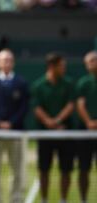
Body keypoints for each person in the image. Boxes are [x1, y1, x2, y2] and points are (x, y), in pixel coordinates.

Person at [0, 48, 28, 203]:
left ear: (13, 62)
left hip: (16, 134)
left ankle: (16, 200)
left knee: (17, 171)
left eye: (9, 59)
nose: (6, 62)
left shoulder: (21, 83)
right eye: (3, 59)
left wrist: (11, 124)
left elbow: (24, 107)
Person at [31, 52, 75, 203]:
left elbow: (71, 105)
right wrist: (49, 122)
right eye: (61, 66)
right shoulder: (38, 85)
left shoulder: (68, 84)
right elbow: (36, 108)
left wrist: (56, 121)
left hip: (65, 135)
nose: (64, 68)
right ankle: (44, 199)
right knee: (44, 170)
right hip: (45, 136)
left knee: (66, 170)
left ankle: (63, 200)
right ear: (52, 66)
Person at [76, 51, 97, 203]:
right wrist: (89, 122)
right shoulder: (83, 82)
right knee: (84, 168)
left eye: (94, 60)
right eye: (89, 61)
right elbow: (80, 104)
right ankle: (83, 199)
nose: (92, 63)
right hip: (85, 133)